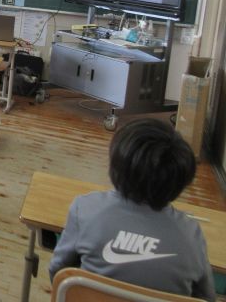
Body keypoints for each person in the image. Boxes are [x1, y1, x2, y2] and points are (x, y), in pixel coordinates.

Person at [49, 118, 214, 301]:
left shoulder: (85, 209)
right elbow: (206, 298)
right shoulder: (191, 234)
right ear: (182, 182)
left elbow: (59, 272)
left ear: (115, 168)